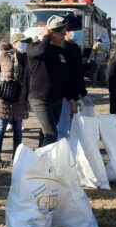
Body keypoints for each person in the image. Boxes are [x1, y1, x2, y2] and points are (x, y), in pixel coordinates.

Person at [26, 15, 78, 147]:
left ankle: (40, 160)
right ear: (51, 33)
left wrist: (71, 99)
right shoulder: (33, 47)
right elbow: (42, 51)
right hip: (40, 99)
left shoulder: (60, 51)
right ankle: (46, 163)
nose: (64, 36)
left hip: (56, 100)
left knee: (46, 133)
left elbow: (65, 77)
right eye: (61, 33)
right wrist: (45, 36)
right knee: (51, 134)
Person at [0, 33, 31, 167]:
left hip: (20, 99)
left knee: (18, 129)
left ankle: (16, 157)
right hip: (4, 99)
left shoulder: (27, 58)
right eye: (22, 41)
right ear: (15, 42)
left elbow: (29, 79)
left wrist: (27, 97)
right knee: (1, 127)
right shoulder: (3, 55)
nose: (24, 44)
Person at [57, 14, 87, 140]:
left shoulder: (75, 47)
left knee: (72, 129)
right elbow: (65, 76)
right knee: (63, 130)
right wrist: (71, 99)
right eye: (74, 30)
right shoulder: (63, 47)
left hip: (74, 95)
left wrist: (83, 93)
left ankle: (70, 155)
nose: (77, 32)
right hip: (64, 96)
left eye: (78, 29)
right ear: (66, 31)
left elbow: (78, 73)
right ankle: (62, 157)